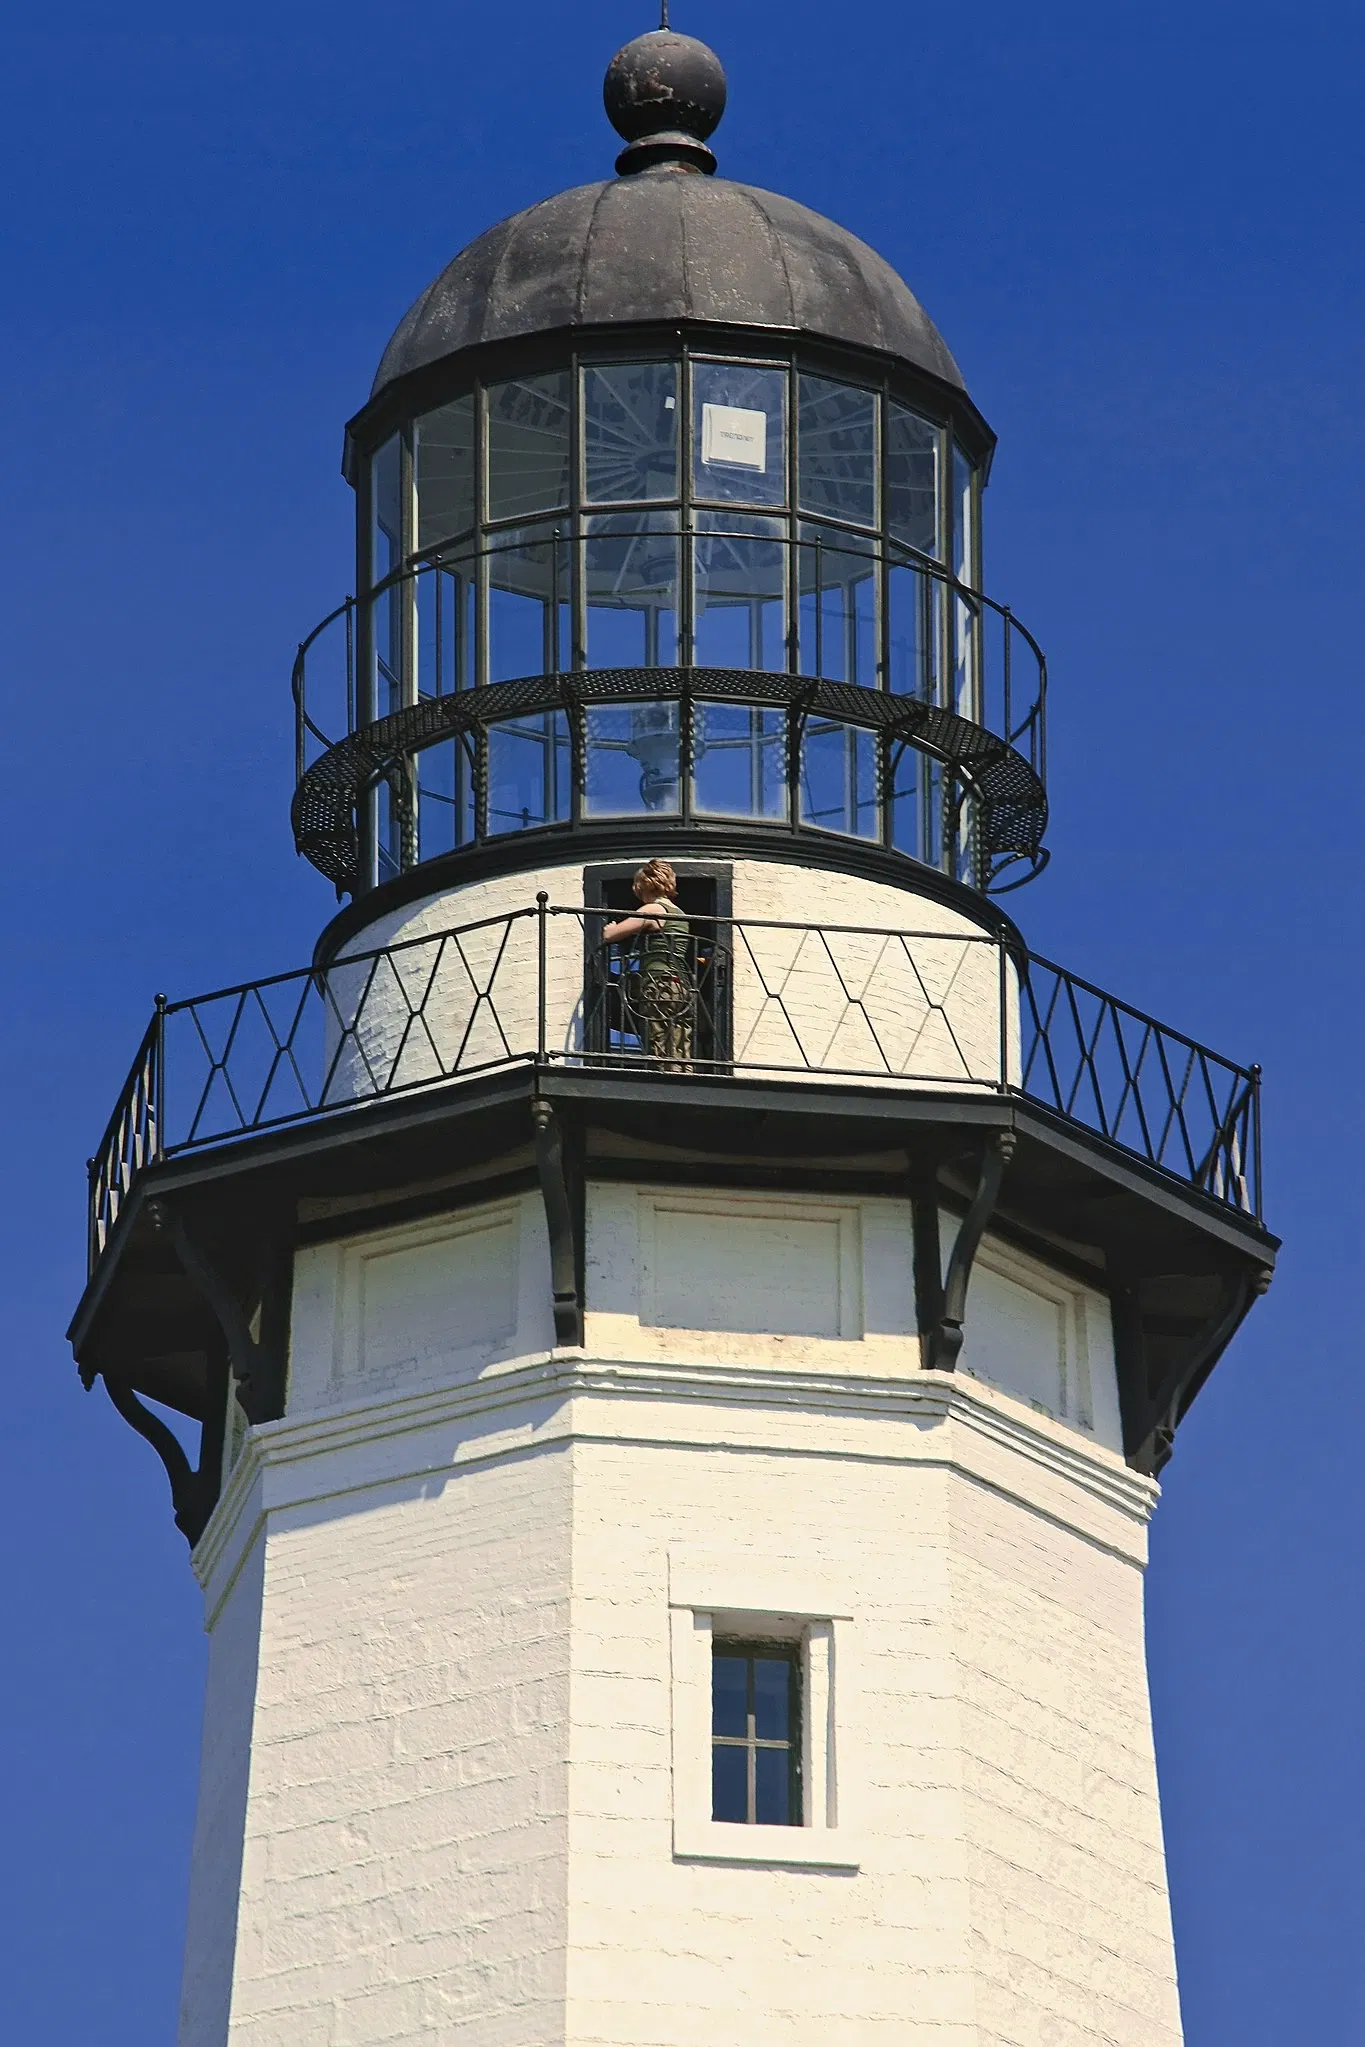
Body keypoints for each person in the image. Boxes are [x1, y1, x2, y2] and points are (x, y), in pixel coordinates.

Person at [602, 859, 694, 1070]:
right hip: (682, 986)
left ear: (646, 885)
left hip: (659, 984)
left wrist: (611, 926)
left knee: (658, 1039)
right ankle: (682, 1075)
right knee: (680, 1042)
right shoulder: (680, 914)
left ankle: (663, 1075)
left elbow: (611, 935)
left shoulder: (654, 909)